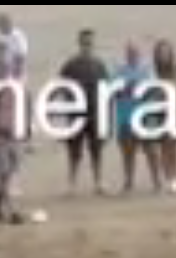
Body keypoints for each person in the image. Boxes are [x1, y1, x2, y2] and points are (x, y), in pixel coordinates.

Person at [58, 29, 112, 193]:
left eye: (89, 43)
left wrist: (105, 113)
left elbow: (106, 89)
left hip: (95, 113)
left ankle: (98, 181)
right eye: (84, 43)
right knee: (74, 150)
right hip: (76, 113)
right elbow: (62, 86)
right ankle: (72, 183)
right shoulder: (70, 65)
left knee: (96, 149)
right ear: (79, 43)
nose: (87, 46)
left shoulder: (99, 65)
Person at [113, 41, 156, 193]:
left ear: (139, 54)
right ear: (126, 54)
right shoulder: (119, 71)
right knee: (127, 152)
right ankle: (129, 181)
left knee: (150, 150)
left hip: (144, 117)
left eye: (134, 52)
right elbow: (113, 92)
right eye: (129, 52)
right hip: (125, 117)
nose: (132, 55)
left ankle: (156, 181)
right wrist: (126, 89)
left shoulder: (146, 71)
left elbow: (152, 91)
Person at [151, 39, 176, 193]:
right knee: (163, 147)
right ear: (157, 55)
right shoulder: (153, 72)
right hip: (159, 110)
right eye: (161, 52)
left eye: (166, 52)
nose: (164, 55)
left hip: (174, 110)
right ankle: (167, 176)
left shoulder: (175, 70)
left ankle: (175, 177)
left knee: (173, 146)